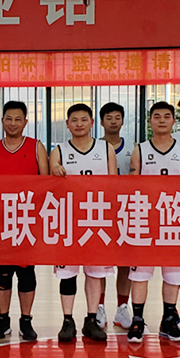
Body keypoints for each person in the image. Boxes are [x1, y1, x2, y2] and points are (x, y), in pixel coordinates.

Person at [126, 102, 180, 343]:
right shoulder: (140, 150)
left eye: (167, 116)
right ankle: (137, 320)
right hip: (145, 218)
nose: (162, 120)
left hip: (175, 218)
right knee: (140, 273)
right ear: (150, 121)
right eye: (157, 116)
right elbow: (132, 186)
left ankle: (169, 320)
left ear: (174, 121)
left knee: (173, 273)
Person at [49, 103, 118, 343]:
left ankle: (91, 319)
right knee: (67, 273)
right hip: (68, 219)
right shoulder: (59, 151)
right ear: (67, 124)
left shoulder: (105, 148)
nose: (79, 124)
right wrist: (55, 169)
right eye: (74, 120)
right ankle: (67, 320)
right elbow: (50, 185)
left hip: (97, 218)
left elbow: (113, 184)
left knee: (95, 273)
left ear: (91, 123)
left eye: (83, 120)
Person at [0, 101, 47, 342]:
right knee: (2, 274)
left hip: (28, 220)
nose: (13, 123)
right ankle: (3, 320)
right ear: (2, 121)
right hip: (1, 222)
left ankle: (26, 321)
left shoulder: (36, 147)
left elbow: (46, 184)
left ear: (25, 122)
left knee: (27, 273)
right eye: (8, 118)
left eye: (18, 119)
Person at [99, 102, 134, 331]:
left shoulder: (133, 148)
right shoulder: (93, 147)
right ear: (101, 122)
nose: (113, 121)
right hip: (101, 211)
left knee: (125, 262)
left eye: (117, 117)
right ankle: (99, 306)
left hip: (127, 210)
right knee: (99, 264)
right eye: (109, 117)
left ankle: (122, 307)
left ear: (122, 120)